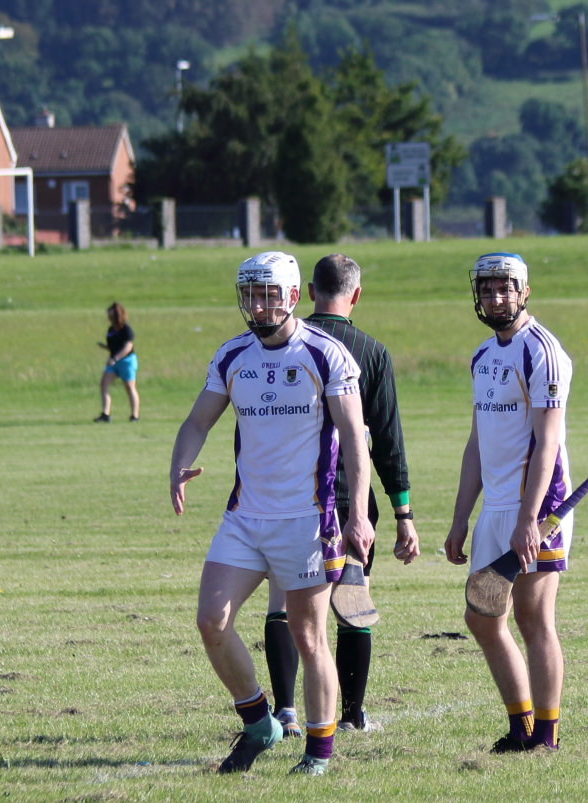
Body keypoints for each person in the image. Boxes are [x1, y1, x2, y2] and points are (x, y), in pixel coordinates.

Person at [170, 251, 374, 776]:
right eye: (250, 295)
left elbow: (354, 437)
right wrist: (179, 465)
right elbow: (197, 422)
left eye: (268, 295)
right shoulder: (233, 355)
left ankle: (319, 752)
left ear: (291, 297)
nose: (258, 306)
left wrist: (359, 516)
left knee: (309, 638)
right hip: (244, 518)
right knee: (211, 622)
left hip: (306, 522)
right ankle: (260, 722)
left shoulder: (326, 354)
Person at [262, 254, 419, 737]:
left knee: (283, 602)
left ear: (309, 291)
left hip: (288, 494)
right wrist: (403, 513)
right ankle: (350, 714)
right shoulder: (370, 352)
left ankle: (285, 710)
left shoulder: (290, 343)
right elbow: (387, 440)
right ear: (356, 295)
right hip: (349, 499)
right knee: (352, 601)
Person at [444, 253, 573, 754]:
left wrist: (528, 520)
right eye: (488, 289)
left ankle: (546, 734)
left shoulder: (541, 351)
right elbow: (477, 443)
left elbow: (547, 443)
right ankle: (520, 725)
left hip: (539, 508)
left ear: (524, 292)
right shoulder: (482, 356)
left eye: (506, 288)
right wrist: (460, 519)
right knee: (482, 618)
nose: (496, 297)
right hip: (495, 507)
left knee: (533, 617)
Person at [95, 302, 140, 422]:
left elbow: (127, 347)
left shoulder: (126, 329)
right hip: (113, 362)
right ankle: (105, 414)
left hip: (126, 361)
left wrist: (116, 358)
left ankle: (135, 415)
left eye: (111, 316)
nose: (109, 318)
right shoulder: (110, 329)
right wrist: (106, 348)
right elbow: (114, 345)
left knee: (129, 387)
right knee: (104, 384)